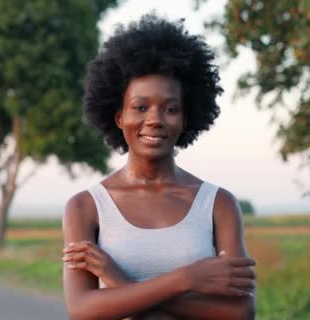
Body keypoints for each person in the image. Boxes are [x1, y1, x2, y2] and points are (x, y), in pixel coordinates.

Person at [61, 14, 256, 320]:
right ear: (118, 117)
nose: (154, 119)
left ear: (186, 118)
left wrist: (119, 281)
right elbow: (82, 309)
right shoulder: (85, 207)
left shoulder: (218, 204)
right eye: (140, 107)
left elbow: (240, 313)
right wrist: (187, 279)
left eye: (171, 108)